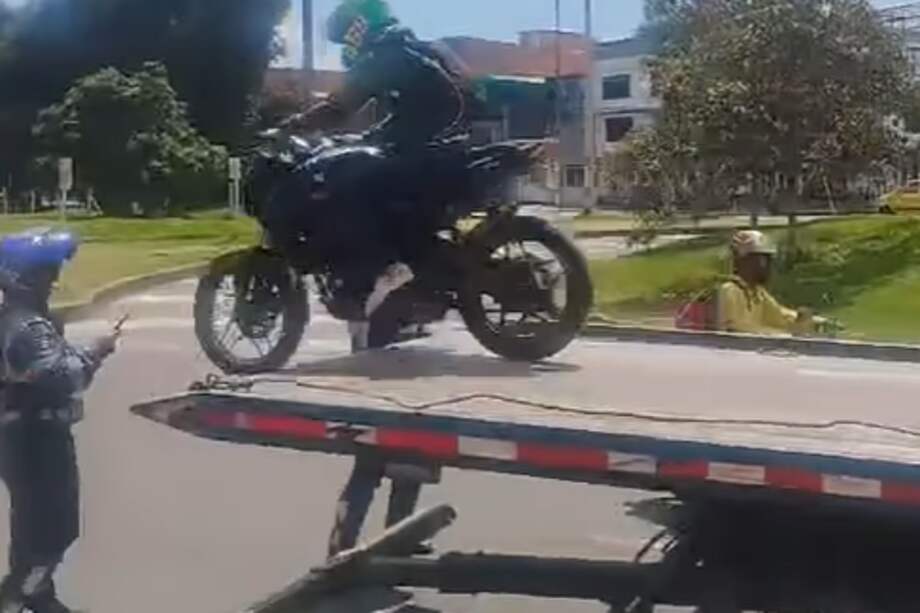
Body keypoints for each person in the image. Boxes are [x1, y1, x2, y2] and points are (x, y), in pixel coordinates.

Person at [276, 0, 474, 351]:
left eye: (347, 36)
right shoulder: (407, 49)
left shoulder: (384, 54)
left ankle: (388, 264)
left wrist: (295, 124)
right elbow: (401, 115)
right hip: (438, 134)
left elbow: (341, 106)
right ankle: (392, 313)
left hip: (423, 134)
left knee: (348, 191)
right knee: (369, 171)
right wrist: (366, 139)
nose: (347, 47)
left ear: (360, 26)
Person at [0, 229, 120, 613]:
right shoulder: (26, 326)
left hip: (24, 435)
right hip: (34, 437)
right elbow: (63, 376)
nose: (53, 280)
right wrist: (97, 350)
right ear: (20, 278)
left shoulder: (24, 319)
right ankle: (16, 596)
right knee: (55, 528)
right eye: (45, 272)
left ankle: (37, 593)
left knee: (33, 523)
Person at [717, 230, 824, 336]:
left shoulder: (757, 293)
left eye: (769, 260)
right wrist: (782, 336)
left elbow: (778, 316)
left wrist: (805, 319)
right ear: (743, 260)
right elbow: (737, 331)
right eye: (762, 260)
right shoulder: (730, 290)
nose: (767, 266)